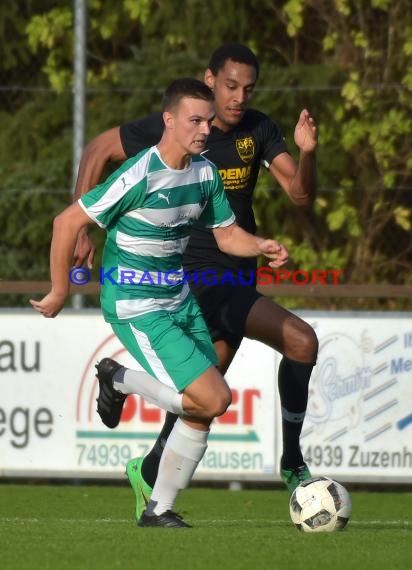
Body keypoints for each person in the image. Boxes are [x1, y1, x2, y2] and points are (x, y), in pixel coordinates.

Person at [30, 77, 289, 528]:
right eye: (195, 120)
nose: (206, 129)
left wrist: (260, 245)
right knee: (214, 397)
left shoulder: (204, 173)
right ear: (168, 121)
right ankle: (122, 381)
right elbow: (65, 223)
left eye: (208, 121)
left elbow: (227, 235)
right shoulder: (139, 174)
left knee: (204, 404)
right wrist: (59, 290)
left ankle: (159, 509)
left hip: (179, 297)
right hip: (136, 302)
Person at [73, 43, 318, 518]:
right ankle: (292, 464)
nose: (238, 97)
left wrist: (307, 154)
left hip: (236, 276)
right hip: (193, 279)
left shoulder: (258, 129)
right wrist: (83, 224)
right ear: (209, 81)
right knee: (298, 342)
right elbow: (99, 148)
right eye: (230, 86)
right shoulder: (179, 128)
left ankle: (149, 477)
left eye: (248, 88)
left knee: (201, 399)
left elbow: (300, 193)